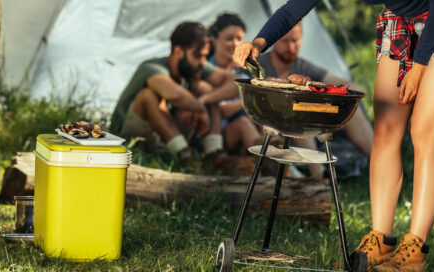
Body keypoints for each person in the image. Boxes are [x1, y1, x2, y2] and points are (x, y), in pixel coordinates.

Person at [233, 0, 434, 271]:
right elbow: (293, 10)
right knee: (385, 130)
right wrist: (258, 43)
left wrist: (419, 67)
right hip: (400, 22)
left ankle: (415, 251)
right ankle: (380, 241)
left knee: (423, 131)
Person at [257, 22, 373, 179]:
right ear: (275, 40)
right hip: (274, 128)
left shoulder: (303, 67)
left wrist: (330, 92)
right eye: (285, 41)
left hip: (311, 128)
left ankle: (380, 163)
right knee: (297, 113)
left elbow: (354, 88)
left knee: (354, 109)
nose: (291, 47)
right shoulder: (261, 66)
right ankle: (318, 175)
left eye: (295, 40)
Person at [110, 22, 238, 163]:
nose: (202, 62)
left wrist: (205, 99)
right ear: (178, 51)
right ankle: (185, 156)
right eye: (197, 56)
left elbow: (236, 83)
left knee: (205, 89)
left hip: (162, 138)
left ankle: (214, 154)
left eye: (204, 56)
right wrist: (200, 107)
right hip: (130, 138)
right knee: (148, 95)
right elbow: (174, 94)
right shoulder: (152, 67)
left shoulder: (194, 65)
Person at [206, 13, 261, 155]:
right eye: (229, 38)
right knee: (244, 121)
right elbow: (220, 110)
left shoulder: (245, 70)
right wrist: (250, 101)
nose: (235, 44)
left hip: (241, 134)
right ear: (214, 40)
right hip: (215, 133)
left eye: (239, 39)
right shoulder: (206, 69)